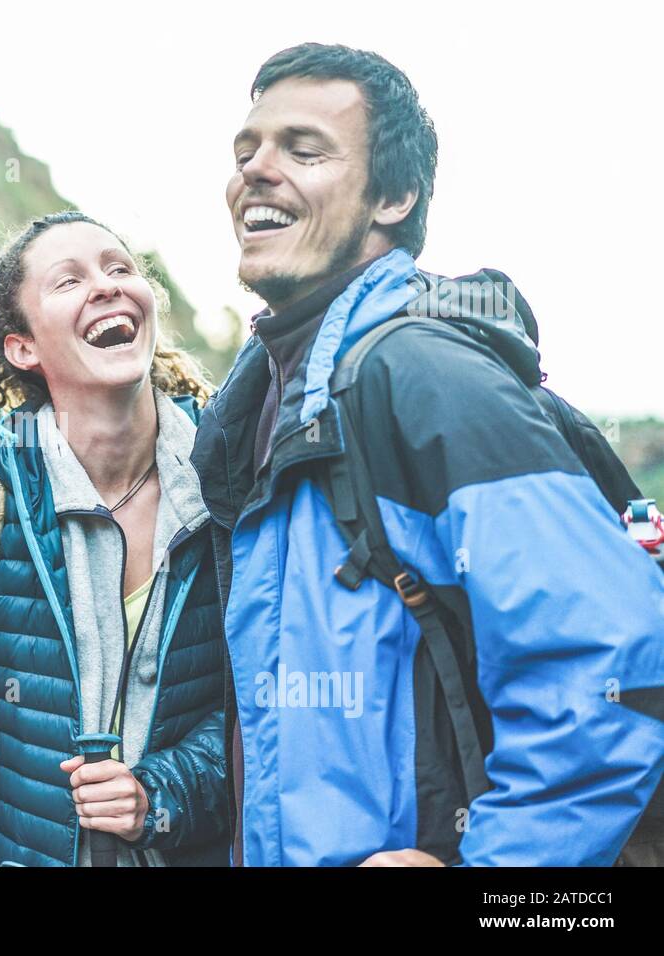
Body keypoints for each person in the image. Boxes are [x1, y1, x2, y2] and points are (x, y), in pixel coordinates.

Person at [191, 42, 664, 866]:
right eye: (246, 150)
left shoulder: (422, 375)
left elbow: (612, 664)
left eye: (303, 150)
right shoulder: (264, 405)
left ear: (395, 196)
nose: (254, 171)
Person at [0, 211, 230, 866]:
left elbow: (262, 695)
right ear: (23, 347)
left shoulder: (230, 476)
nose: (105, 286)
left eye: (119, 268)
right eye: (68, 281)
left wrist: (161, 794)